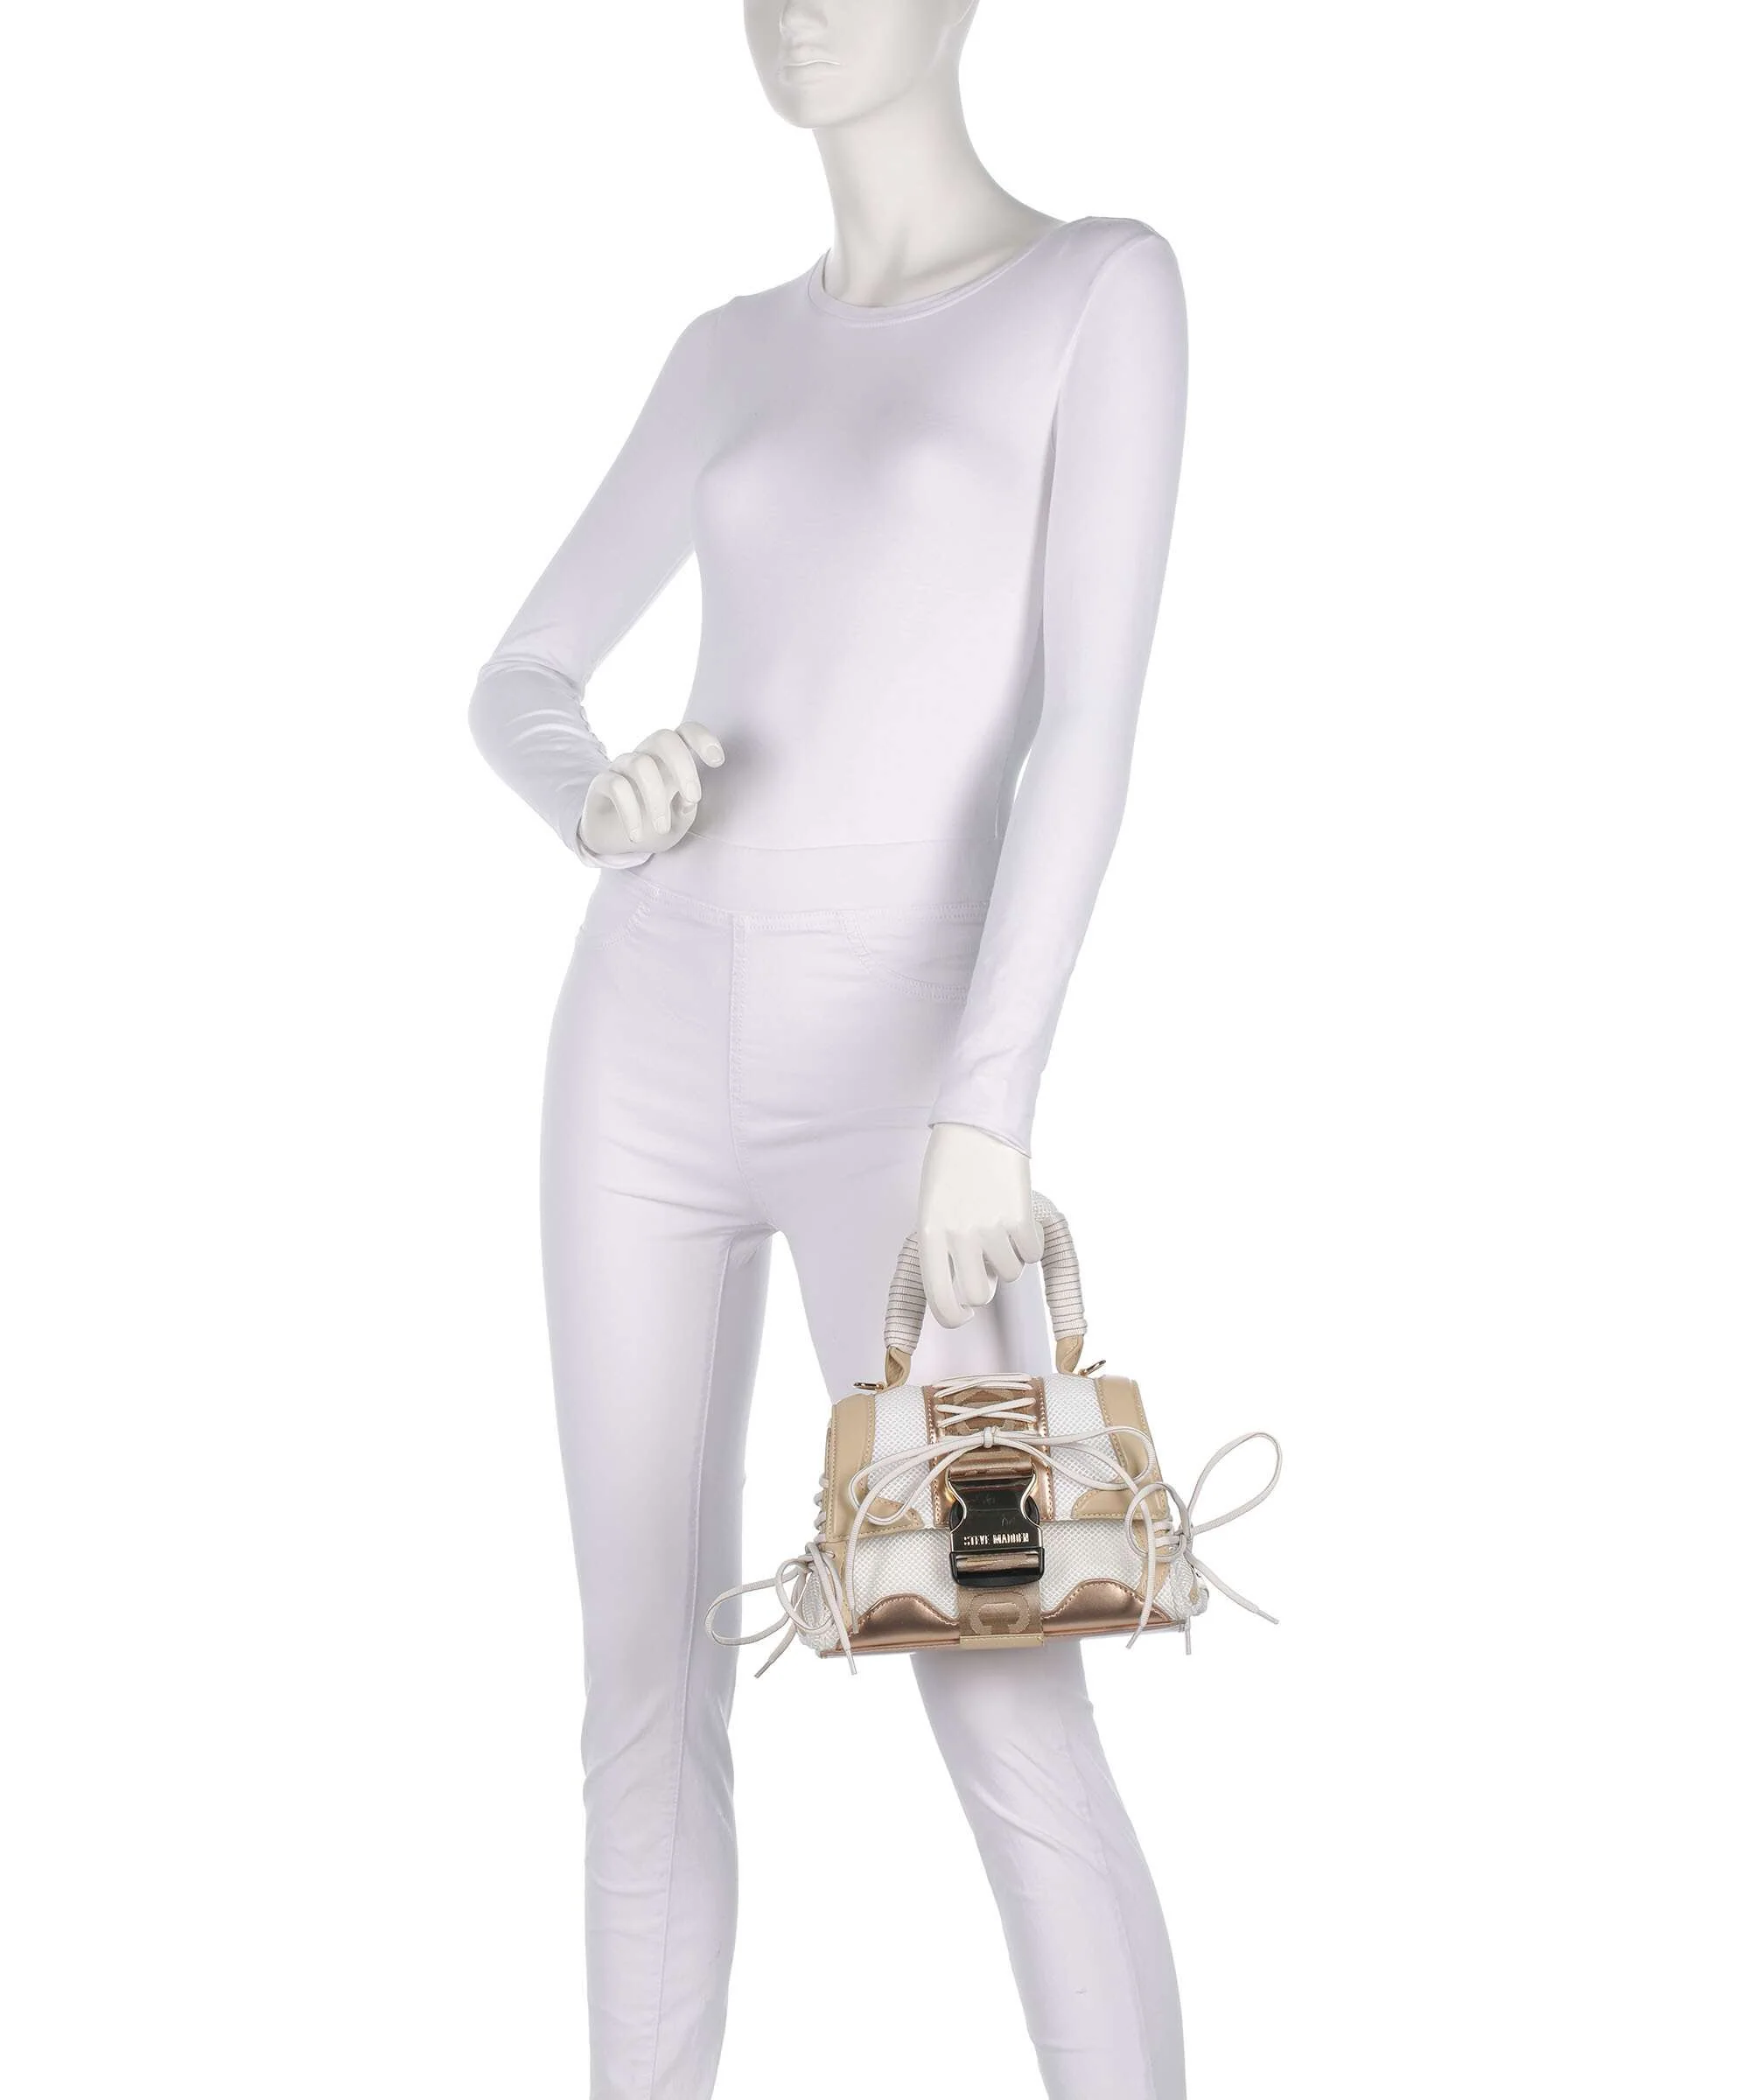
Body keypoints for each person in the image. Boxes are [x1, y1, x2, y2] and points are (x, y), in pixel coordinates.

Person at [468, 5, 1189, 2094]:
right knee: (639, 1691)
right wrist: (594, 795)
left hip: (909, 1071)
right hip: (637, 1038)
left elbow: (1085, 729)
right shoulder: (728, 347)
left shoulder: (1097, 290)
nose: (794, 10)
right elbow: (520, 672)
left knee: (1003, 1673)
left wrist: (990, 1099)